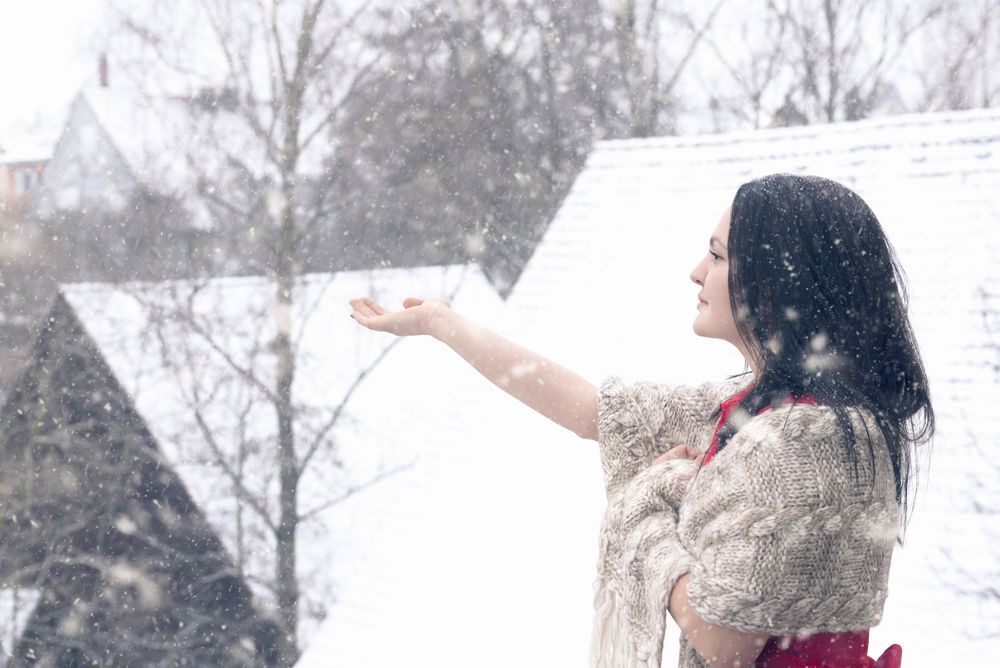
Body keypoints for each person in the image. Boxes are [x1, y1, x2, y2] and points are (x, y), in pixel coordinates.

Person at [348, 173, 932, 667]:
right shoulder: (761, 412)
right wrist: (444, 325)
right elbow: (592, 410)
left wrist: (648, 511)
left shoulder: (812, 439)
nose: (696, 270)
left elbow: (724, 636)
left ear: (779, 281)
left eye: (719, 255)